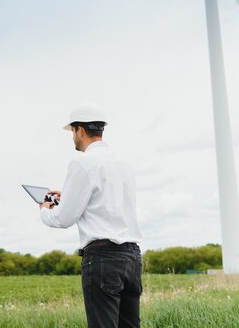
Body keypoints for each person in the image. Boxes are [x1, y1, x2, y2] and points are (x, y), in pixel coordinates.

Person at [40, 102, 142, 328]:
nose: (73, 137)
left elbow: (63, 218)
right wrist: (67, 195)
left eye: (73, 132)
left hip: (103, 257)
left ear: (80, 130)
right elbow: (106, 202)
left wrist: (45, 211)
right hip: (132, 257)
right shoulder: (123, 163)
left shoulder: (82, 162)